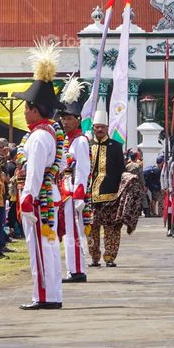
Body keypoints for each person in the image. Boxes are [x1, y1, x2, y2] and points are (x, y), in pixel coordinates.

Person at [13, 44, 65, 310]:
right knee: (49, 245)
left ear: (35, 109)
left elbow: (33, 170)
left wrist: (27, 197)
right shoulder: (50, 133)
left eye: (26, 106)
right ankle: (51, 293)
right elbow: (59, 163)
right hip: (47, 195)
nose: (23, 111)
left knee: (40, 248)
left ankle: (43, 295)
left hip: (36, 198)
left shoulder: (37, 136)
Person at [85, 107, 144, 268]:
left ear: (106, 128)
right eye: (96, 127)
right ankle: (94, 257)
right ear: (93, 128)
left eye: (102, 127)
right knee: (91, 228)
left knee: (111, 229)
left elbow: (121, 170)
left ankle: (110, 257)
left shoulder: (116, 146)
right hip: (90, 196)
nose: (99, 129)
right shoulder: (87, 145)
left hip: (111, 196)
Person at [57, 79, 91, 283]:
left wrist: (80, 193)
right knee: (69, 232)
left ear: (77, 120)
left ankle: (77, 269)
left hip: (72, 191)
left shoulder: (79, 141)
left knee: (74, 232)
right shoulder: (67, 140)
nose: (64, 122)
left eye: (68, 118)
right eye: (63, 118)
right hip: (64, 189)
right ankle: (73, 268)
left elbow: (83, 169)